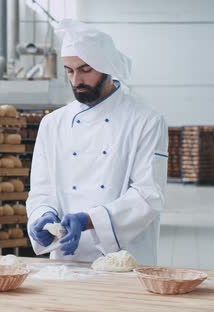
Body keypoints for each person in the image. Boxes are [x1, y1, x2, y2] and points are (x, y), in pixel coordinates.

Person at [26, 20, 168, 265]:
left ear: (107, 67)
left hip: (124, 256)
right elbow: (42, 190)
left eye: (85, 70)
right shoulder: (52, 123)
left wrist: (88, 220)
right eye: (69, 71)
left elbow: (149, 195)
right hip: (65, 258)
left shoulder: (146, 121)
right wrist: (42, 215)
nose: (76, 80)